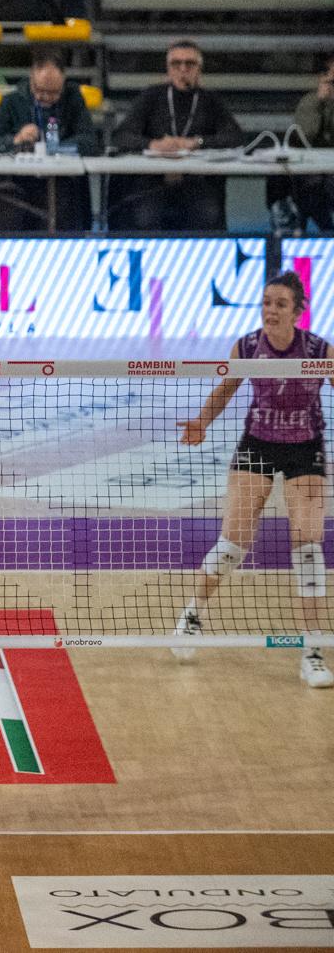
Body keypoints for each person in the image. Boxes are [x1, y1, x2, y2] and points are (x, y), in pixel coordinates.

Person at [174, 271, 333, 689]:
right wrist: (202, 422)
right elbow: (227, 388)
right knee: (232, 544)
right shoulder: (246, 347)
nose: (270, 311)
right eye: (266, 302)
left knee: (309, 547)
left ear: (297, 311)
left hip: (305, 448)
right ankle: (192, 616)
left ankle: (313, 653)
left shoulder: (319, 350)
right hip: (258, 444)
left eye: (280, 304)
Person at [108, 39, 244, 231]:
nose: (183, 69)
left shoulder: (210, 100)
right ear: (168, 69)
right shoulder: (151, 96)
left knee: (208, 214)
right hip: (154, 180)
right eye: (176, 64)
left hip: (196, 181)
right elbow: (121, 136)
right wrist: (153, 145)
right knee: (145, 216)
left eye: (190, 64)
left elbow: (235, 137)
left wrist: (197, 142)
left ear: (199, 69)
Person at [0, 48, 97, 231]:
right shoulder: (12, 101)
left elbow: (90, 141)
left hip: (61, 179)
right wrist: (15, 139)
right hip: (20, 179)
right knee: (6, 197)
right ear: (31, 80)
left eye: (54, 92)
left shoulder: (73, 99)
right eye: (40, 91)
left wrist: (56, 148)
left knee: (64, 197)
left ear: (63, 82)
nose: (46, 98)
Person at [278, 52, 334, 231]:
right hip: (313, 173)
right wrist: (319, 102)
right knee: (304, 190)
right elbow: (305, 135)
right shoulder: (310, 103)